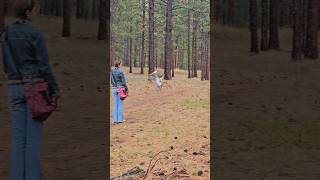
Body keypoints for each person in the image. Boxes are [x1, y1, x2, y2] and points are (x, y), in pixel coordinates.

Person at [1, 1, 60, 179]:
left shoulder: (6, 34)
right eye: (36, 9)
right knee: (32, 140)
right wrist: (54, 89)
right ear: (28, 11)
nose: (38, 12)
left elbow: (5, 64)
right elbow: (44, 66)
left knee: (18, 139)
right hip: (34, 89)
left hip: (13, 88)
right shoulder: (35, 33)